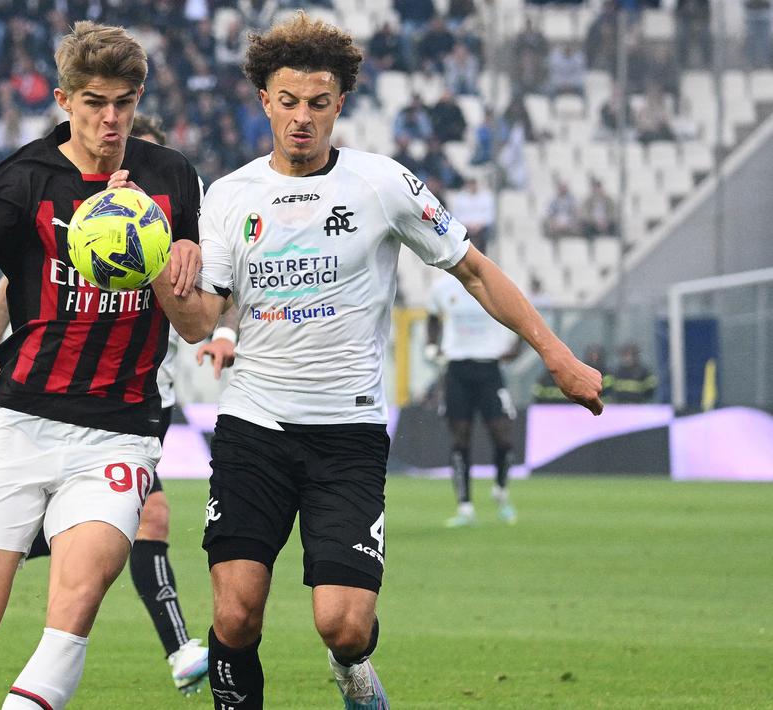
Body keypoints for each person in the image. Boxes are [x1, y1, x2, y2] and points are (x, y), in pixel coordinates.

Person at [149, 13, 604, 710]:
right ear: (264, 100)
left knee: (343, 624)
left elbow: (475, 271)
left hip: (347, 434)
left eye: (318, 102)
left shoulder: (381, 183)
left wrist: (558, 357)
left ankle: (352, 669)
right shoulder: (229, 198)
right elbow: (197, 325)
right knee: (236, 615)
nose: (302, 118)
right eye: (288, 101)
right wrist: (156, 270)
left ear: (339, 103)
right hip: (252, 429)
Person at [0, 23, 203, 710]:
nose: (109, 118)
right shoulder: (22, 180)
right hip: (21, 423)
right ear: (63, 99)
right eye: (91, 102)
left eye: (122, 102)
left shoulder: (169, 178)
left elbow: (192, 308)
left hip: (120, 430)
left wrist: (185, 274)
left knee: (77, 598)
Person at [0, 113, 220, 696]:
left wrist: (184, 269)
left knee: (119, 538)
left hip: (140, 400)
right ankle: (179, 647)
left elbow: (212, 304)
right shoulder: (79, 214)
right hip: (54, 402)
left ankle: (179, 648)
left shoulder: (180, 206)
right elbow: (11, 283)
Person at [426, 260, 522, 527]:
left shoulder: (495, 284)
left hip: (490, 369)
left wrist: (517, 347)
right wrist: (432, 345)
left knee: (503, 438)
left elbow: (520, 313)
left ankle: (500, 491)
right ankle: (465, 506)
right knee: (460, 440)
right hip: (457, 369)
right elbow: (432, 318)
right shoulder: (442, 288)